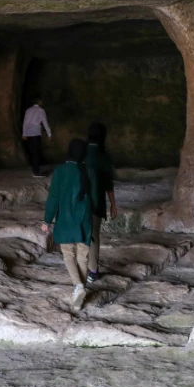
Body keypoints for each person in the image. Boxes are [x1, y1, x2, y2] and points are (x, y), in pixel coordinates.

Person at [42, 138, 99, 311]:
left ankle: (78, 286)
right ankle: (80, 290)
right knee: (83, 255)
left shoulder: (60, 171)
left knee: (68, 254)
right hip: (84, 217)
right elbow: (95, 197)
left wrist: (47, 219)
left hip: (66, 218)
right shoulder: (89, 170)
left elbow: (54, 197)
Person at [84, 122, 117, 285]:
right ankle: (93, 271)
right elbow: (108, 184)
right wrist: (113, 204)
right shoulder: (104, 156)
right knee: (93, 237)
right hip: (96, 202)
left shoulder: (80, 153)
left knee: (80, 234)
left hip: (79, 202)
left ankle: (78, 268)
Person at [22, 96, 52, 177]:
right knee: (36, 152)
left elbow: (25, 122)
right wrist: (49, 133)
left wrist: (24, 133)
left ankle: (34, 169)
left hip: (28, 132)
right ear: (39, 101)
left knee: (32, 151)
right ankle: (36, 172)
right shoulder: (40, 110)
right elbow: (45, 122)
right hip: (35, 132)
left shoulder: (28, 110)